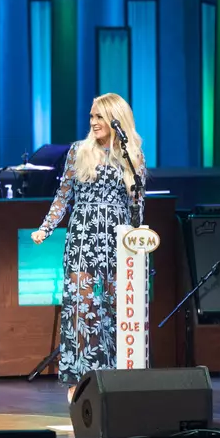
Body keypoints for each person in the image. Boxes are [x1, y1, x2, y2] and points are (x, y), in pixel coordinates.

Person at [30, 93, 146, 404]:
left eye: (99, 117)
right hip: (83, 236)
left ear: (116, 119)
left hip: (116, 240)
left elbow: (137, 204)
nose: (93, 122)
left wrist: (136, 241)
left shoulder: (133, 155)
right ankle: (77, 384)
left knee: (112, 309)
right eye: (91, 117)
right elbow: (63, 196)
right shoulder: (78, 152)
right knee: (80, 311)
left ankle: (112, 380)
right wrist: (46, 228)